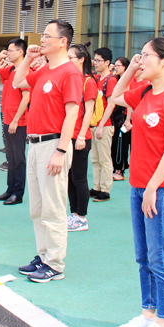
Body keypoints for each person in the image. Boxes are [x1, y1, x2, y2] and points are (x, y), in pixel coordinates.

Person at [108, 38, 164, 327]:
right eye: (139, 56)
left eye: (146, 56)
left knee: (160, 258)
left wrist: (153, 187)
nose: (140, 60)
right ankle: (148, 314)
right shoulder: (144, 91)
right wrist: (131, 69)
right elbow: (115, 96)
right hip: (139, 185)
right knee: (143, 256)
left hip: (161, 188)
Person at [12, 20, 82, 283]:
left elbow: (72, 113)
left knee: (53, 207)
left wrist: (61, 151)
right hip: (35, 143)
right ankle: (43, 256)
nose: (41, 40)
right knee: (38, 208)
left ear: (63, 41)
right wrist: (28, 59)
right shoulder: (44, 69)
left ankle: (54, 263)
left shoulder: (70, 73)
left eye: (47, 36)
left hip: (53, 144)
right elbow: (18, 81)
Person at [0, 39, 30, 205]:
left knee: (18, 158)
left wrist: (15, 120)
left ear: (21, 52)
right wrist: (0, 57)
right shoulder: (11, 69)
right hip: (7, 118)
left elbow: (26, 98)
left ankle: (18, 193)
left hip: (18, 122)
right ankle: (10, 189)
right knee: (10, 157)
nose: (8, 53)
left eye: (11, 50)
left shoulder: (25, 71)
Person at [67, 44, 97, 232]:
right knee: (70, 178)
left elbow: (89, 111)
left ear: (81, 59)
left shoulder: (88, 81)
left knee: (79, 178)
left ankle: (82, 216)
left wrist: (80, 136)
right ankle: (73, 214)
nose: (68, 60)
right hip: (69, 135)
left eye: (71, 57)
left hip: (80, 136)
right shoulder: (73, 78)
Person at [90, 47, 117, 202]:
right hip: (95, 124)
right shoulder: (96, 78)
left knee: (104, 158)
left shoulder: (110, 80)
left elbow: (111, 104)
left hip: (105, 125)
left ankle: (105, 189)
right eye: (95, 60)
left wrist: (101, 125)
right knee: (95, 158)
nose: (95, 63)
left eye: (98, 60)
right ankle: (97, 186)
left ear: (107, 62)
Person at [111, 57, 132, 181]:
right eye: (115, 65)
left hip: (123, 117)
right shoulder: (115, 79)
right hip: (115, 115)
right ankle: (116, 168)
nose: (116, 68)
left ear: (125, 67)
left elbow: (129, 101)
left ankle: (120, 169)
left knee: (121, 144)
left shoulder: (127, 81)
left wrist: (128, 119)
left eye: (118, 66)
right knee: (114, 143)